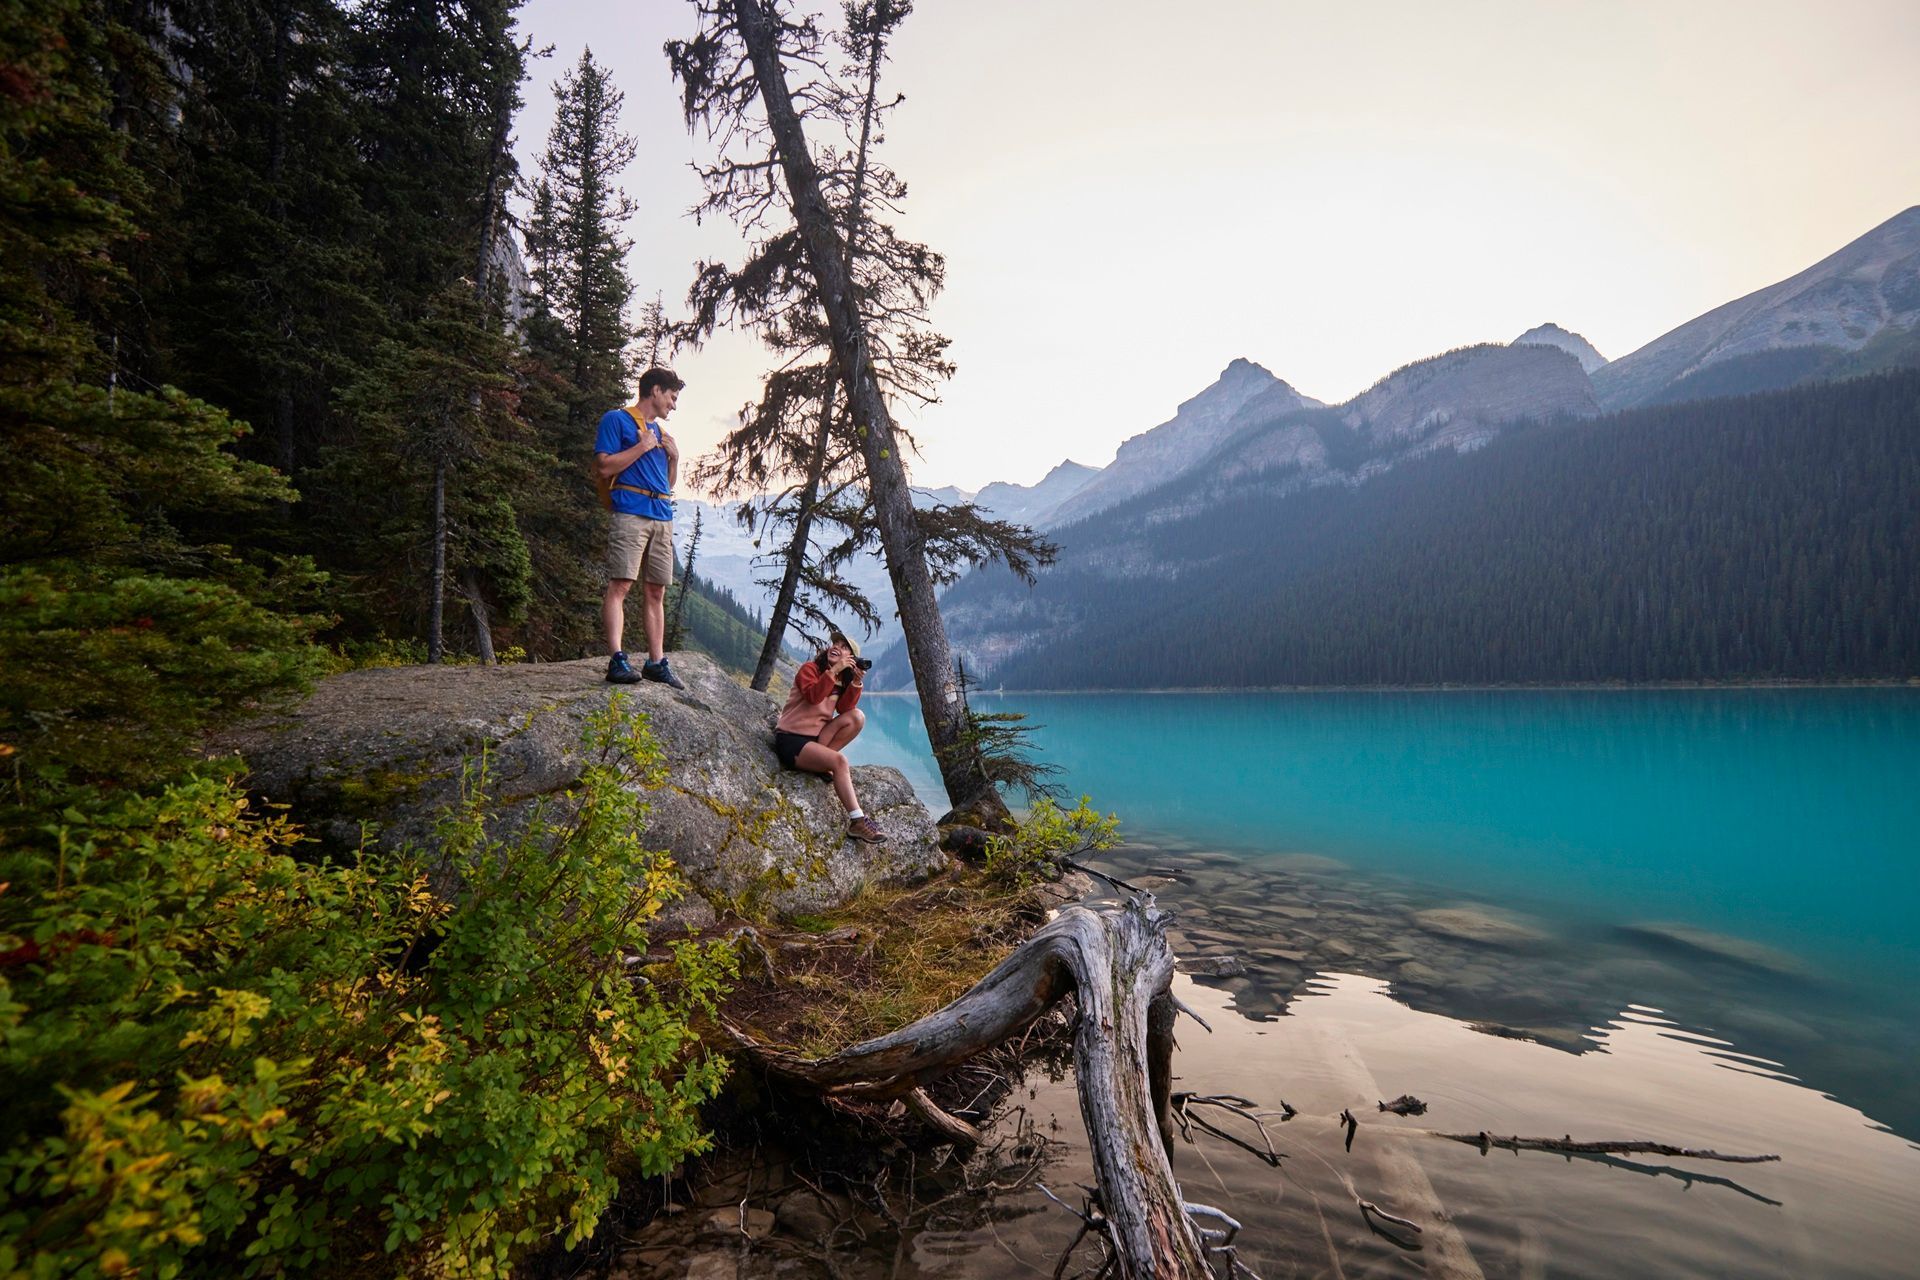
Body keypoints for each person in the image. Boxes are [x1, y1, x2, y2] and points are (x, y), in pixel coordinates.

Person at [596, 368, 686, 689]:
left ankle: (656, 661)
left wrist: (673, 459)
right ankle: (617, 659)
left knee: (656, 591)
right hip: (631, 513)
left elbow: (667, 483)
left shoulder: (662, 435)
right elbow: (604, 466)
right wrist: (642, 446)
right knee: (620, 585)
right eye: (672, 397)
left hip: (662, 514)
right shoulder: (616, 420)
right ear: (656, 390)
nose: (673, 406)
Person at [775, 630, 884, 844]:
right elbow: (814, 697)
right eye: (836, 644)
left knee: (857, 717)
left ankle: (821, 762)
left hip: (816, 741)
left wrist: (855, 683)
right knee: (840, 762)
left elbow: (845, 709)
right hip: (791, 740)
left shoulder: (841, 679)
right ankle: (857, 821)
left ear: (851, 660)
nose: (837, 648)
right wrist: (834, 670)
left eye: (845, 648)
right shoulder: (810, 669)